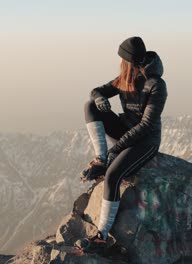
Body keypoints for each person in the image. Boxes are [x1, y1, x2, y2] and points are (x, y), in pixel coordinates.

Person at [77, 36, 168, 254]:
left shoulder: (156, 85)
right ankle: (99, 158)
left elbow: (146, 126)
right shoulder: (125, 78)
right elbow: (96, 91)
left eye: (121, 59)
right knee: (90, 106)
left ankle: (102, 236)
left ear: (128, 61)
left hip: (146, 141)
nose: (119, 63)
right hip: (127, 130)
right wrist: (99, 98)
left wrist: (116, 150)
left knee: (113, 176)